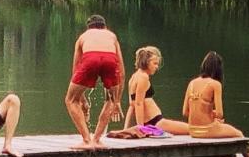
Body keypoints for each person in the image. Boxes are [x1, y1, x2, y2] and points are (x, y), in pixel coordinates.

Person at [182, 51, 249, 157]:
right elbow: (220, 114)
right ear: (218, 69)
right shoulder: (215, 84)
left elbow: (185, 112)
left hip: (192, 131)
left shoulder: (191, 83)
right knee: (239, 134)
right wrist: (213, 115)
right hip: (207, 130)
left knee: (226, 131)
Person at [64, 14, 125, 149]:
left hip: (90, 58)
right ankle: (97, 140)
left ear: (88, 28)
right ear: (105, 27)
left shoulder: (83, 37)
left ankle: (86, 140)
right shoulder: (112, 36)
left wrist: (81, 98)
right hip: (110, 59)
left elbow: (76, 69)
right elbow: (121, 70)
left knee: (70, 100)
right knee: (110, 100)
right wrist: (118, 100)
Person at [123, 46, 189, 135]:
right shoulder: (143, 77)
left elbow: (132, 105)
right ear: (146, 62)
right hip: (156, 122)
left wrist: (126, 128)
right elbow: (138, 103)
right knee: (192, 129)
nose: (157, 67)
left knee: (190, 129)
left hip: (151, 122)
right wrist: (141, 128)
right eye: (155, 63)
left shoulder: (133, 77)